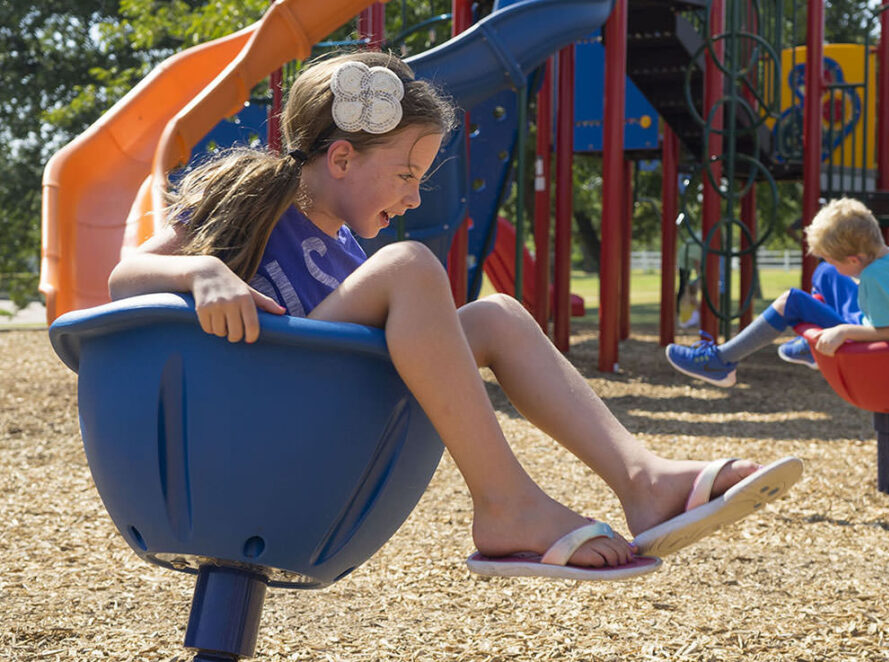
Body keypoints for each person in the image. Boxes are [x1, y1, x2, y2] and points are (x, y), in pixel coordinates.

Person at [108, 51, 802, 581]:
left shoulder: (349, 251)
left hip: (329, 409)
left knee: (497, 313)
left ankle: (645, 481)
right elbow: (123, 277)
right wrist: (201, 272)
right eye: (406, 175)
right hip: (265, 406)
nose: (412, 198)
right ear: (342, 157)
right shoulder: (257, 194)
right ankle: (506, 504)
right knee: (411, 266)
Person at [666, 197, 889, 387]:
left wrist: (843, 331)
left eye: (836, 260)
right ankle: (810, 348)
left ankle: (720, 362)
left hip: (888, 356)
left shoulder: (875, 277)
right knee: (824, 274)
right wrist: (835, 270)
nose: (833, 265)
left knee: (790, 302)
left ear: (854, 259)